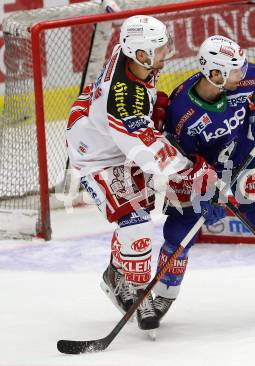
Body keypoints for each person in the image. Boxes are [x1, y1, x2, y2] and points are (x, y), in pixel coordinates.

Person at [65, 15, 224, 332]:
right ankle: (138, 291)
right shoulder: (125, 100)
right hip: (99, 156)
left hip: (109, 134)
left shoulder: (134, 59)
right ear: (140, 53)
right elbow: (152, 154)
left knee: (136, 212)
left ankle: (116, 272)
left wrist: (154, 110)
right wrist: (195, 172)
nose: (167, 53)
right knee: (135, 221)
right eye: (160, 48)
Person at [151, 35, 255, 323]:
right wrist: (201, 190)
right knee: (179, 230)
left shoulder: (243, 78)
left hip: (245, 154)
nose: (241, 74)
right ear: (214, 73)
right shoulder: (181, 111)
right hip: (198, 168)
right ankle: (163, 293)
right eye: (234, 70)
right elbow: (179, 160)